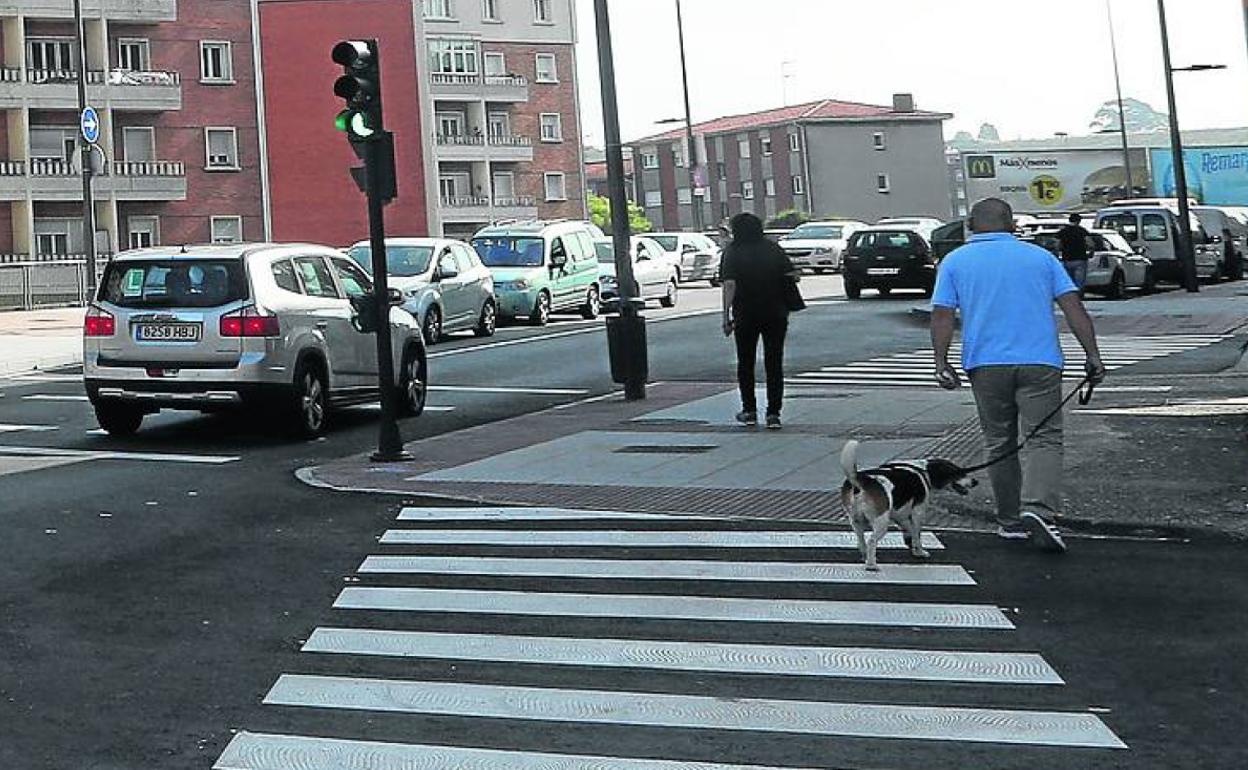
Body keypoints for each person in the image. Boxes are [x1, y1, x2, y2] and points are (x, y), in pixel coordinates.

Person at [930, 198, 1106, 553]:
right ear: (1012, 224)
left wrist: (941, 362)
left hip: (986, 363)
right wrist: (1092, 355)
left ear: (971, 224)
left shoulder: (955, 261)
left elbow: (943, 315)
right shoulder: (1039, 258)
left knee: (999, 441)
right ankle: (1040, 509)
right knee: (1044, 439)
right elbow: (1073, 307)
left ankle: (1009, 521)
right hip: (1040, 361)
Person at [720, 212, 796, 430]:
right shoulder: (773, 249)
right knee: (774, 362)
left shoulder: (732, 252)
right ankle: (774, 414)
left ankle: (750, 411)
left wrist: (726, 316)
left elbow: (729, 285)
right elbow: (793, 275)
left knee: (746, 363)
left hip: (746, 314)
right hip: (776, 312)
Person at [1056, 213, 1090, 292]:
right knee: (1079, 281)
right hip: (1080, 258)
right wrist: (1091, 251)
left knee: (1068, 280)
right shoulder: (1082, 230)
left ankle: (1071, 294)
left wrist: (1057, 253)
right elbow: (1089, 242)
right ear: (1079, 221)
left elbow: (1057, 244)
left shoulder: (1063, 231)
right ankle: (1078, 295)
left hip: (1067, 259)